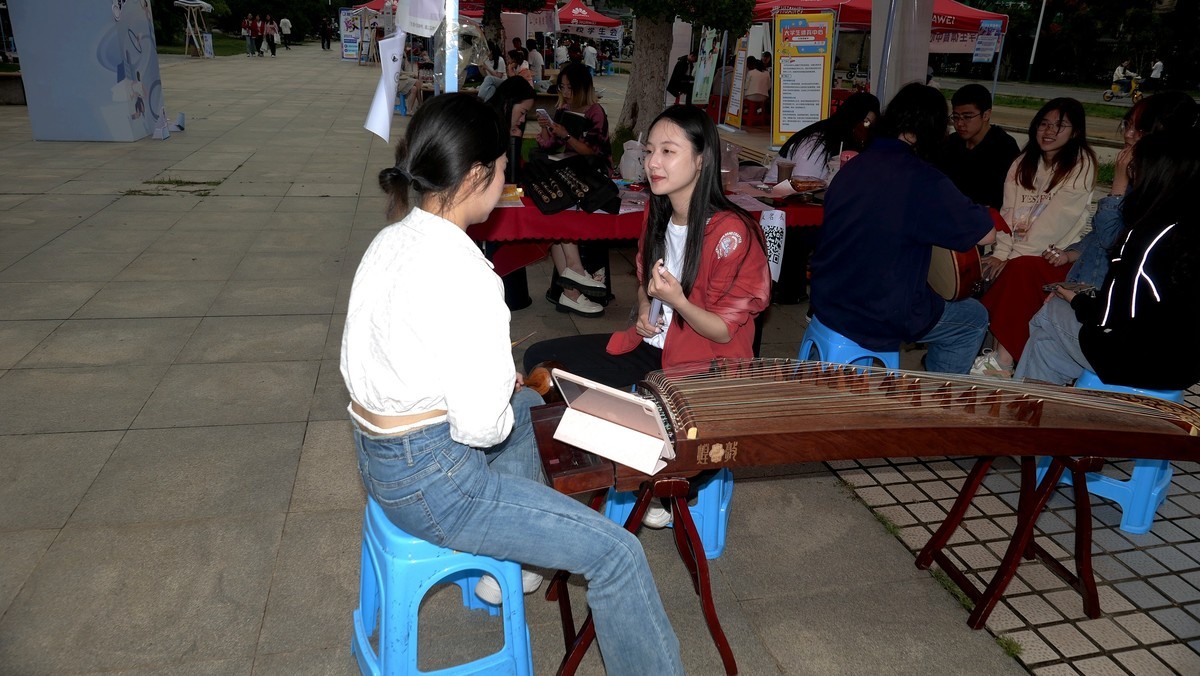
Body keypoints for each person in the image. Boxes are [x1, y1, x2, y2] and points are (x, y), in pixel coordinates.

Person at [342, 93, 684, 675]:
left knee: (528, 399)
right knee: (617, 552)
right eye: (502, 171)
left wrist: (499, 388)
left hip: (378, 458)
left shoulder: (390, 240)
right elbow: (481, 427)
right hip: (434, 481)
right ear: (476, 175)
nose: (505, 182)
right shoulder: (467, 273)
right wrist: (495, 376)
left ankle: (519, 566)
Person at [523, 103, 771, 387]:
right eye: (650, 150)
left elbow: (724, 331)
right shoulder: (657, 211)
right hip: (653, 348)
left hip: (703, 366)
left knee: (574, 389)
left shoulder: (732, 234)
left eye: (668, 151)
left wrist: (679, 301)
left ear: (702, 159)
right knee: (541, 360)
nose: (652, 162)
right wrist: (644, 309)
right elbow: (646, 285)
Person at [808, 83, 997, 375]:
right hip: (878, 312)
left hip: (828, 298)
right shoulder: (924, 179)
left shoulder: (854, 167)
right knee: (972, 318)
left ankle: (864, 369)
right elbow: (986, 234)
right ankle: (935, 403)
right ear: (931, 129)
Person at [1015, 129, 1200, 390]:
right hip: (1186, 367)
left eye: (1135, 167)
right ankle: (1040, 406)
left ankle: (1025, 407)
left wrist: (1077, 299)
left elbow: (1112, 320)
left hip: (1139, 363)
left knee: (1051, 313)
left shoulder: (1145, 236)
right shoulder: (1186, 228)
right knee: (1049, 346)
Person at [972, 98, 1096, 377]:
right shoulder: (1022, 162)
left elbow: (1055, 225)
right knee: (991, 268)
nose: (1049, 131)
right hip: (1019, 255)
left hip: (1056, 258)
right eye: (1044, 123)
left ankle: (1002, 360)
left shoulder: (1081, 163)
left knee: (1019, 271)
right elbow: (1007, 213)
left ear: (1075, 132)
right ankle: (999, 358)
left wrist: (1011, 259)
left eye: (1059, 126)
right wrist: (1000, 254)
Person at [535, 63, 612, 316]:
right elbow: (551, 146)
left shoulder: (595, 112)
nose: (565, 92)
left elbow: (593, 152)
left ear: (582, 87)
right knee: (547, 190)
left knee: (557, 204)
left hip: (593, 172)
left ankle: (574, 278)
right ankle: (572, 285)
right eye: (562, 87)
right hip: (570, 169)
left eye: (570, 87)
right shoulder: (563, 109)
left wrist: (566, 136)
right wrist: (546, 133)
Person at [936, 84, 1021, 210]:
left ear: (986, 115)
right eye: (956, 117)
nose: (959, 124)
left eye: (967, 117)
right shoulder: (952, 142)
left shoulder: (1004, 148)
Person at [765, 92, 879, 183]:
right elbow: (806, 184)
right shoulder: (816, 143)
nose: (864, 129)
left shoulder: (846, 143)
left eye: (870, 124)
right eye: (865, 122)